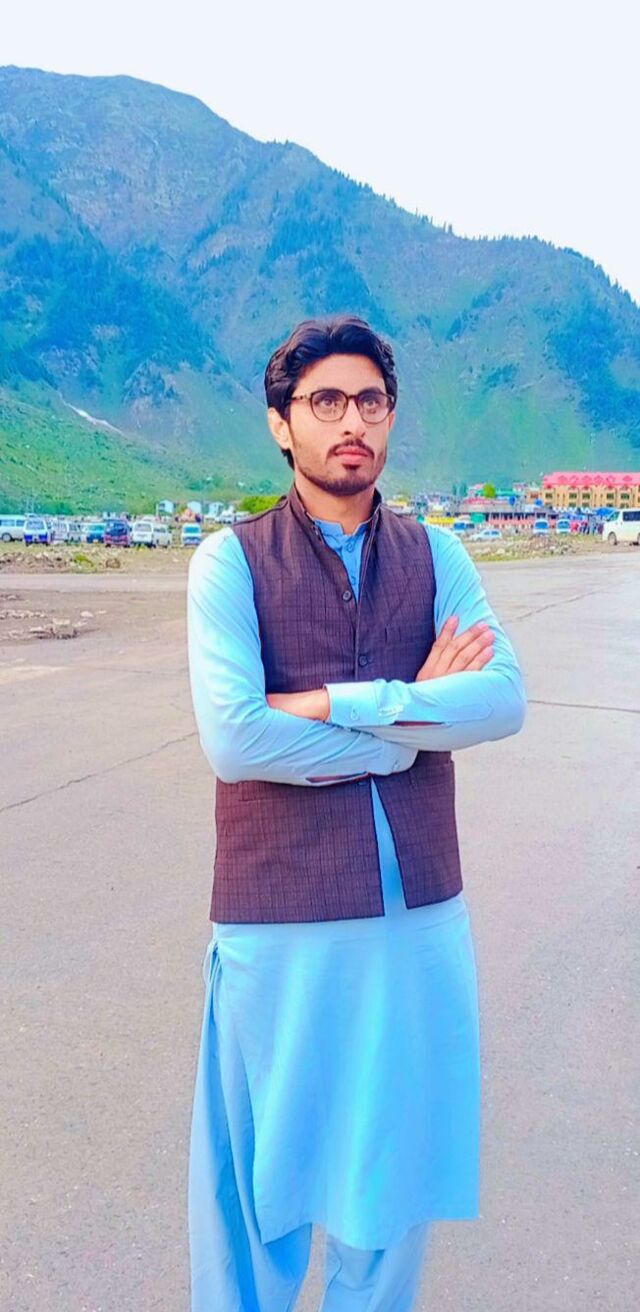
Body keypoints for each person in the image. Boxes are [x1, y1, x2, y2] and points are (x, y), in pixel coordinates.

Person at [186, 314, 527, 1311]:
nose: (352, 422)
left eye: (370, 401)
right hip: (279, 919)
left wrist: (339, 702)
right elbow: (237, 740)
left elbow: (501, 700)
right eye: (326, 401)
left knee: (390, 1184)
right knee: (260, 1194)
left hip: (417, 917)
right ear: (281, 423)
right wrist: (409, 728)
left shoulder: (439, 556)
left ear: (391, 418)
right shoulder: (229, 562)